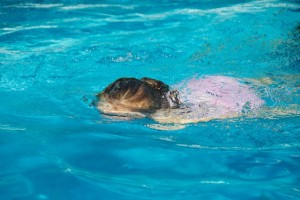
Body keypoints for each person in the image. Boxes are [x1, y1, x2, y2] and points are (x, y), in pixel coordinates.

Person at [96, 76, 265, 124]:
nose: (105, 118)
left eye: (118, 116)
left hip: (222, 96)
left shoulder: (166, 117)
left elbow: (229, 113)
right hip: (204, 82)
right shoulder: (156, 94)